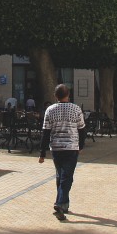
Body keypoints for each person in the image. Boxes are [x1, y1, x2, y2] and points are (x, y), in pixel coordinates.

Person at [38, 84, 86, 221]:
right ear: (68, 95)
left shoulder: (50, 110)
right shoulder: (76, 109)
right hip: (71, 148)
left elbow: (45, 132)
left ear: (55, 96)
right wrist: (81, 145)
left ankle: (64, 205)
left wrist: (42, 152)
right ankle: (59, 204)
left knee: (61, 175)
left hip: (56, 148)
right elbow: (82, 129)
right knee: (67, 177)